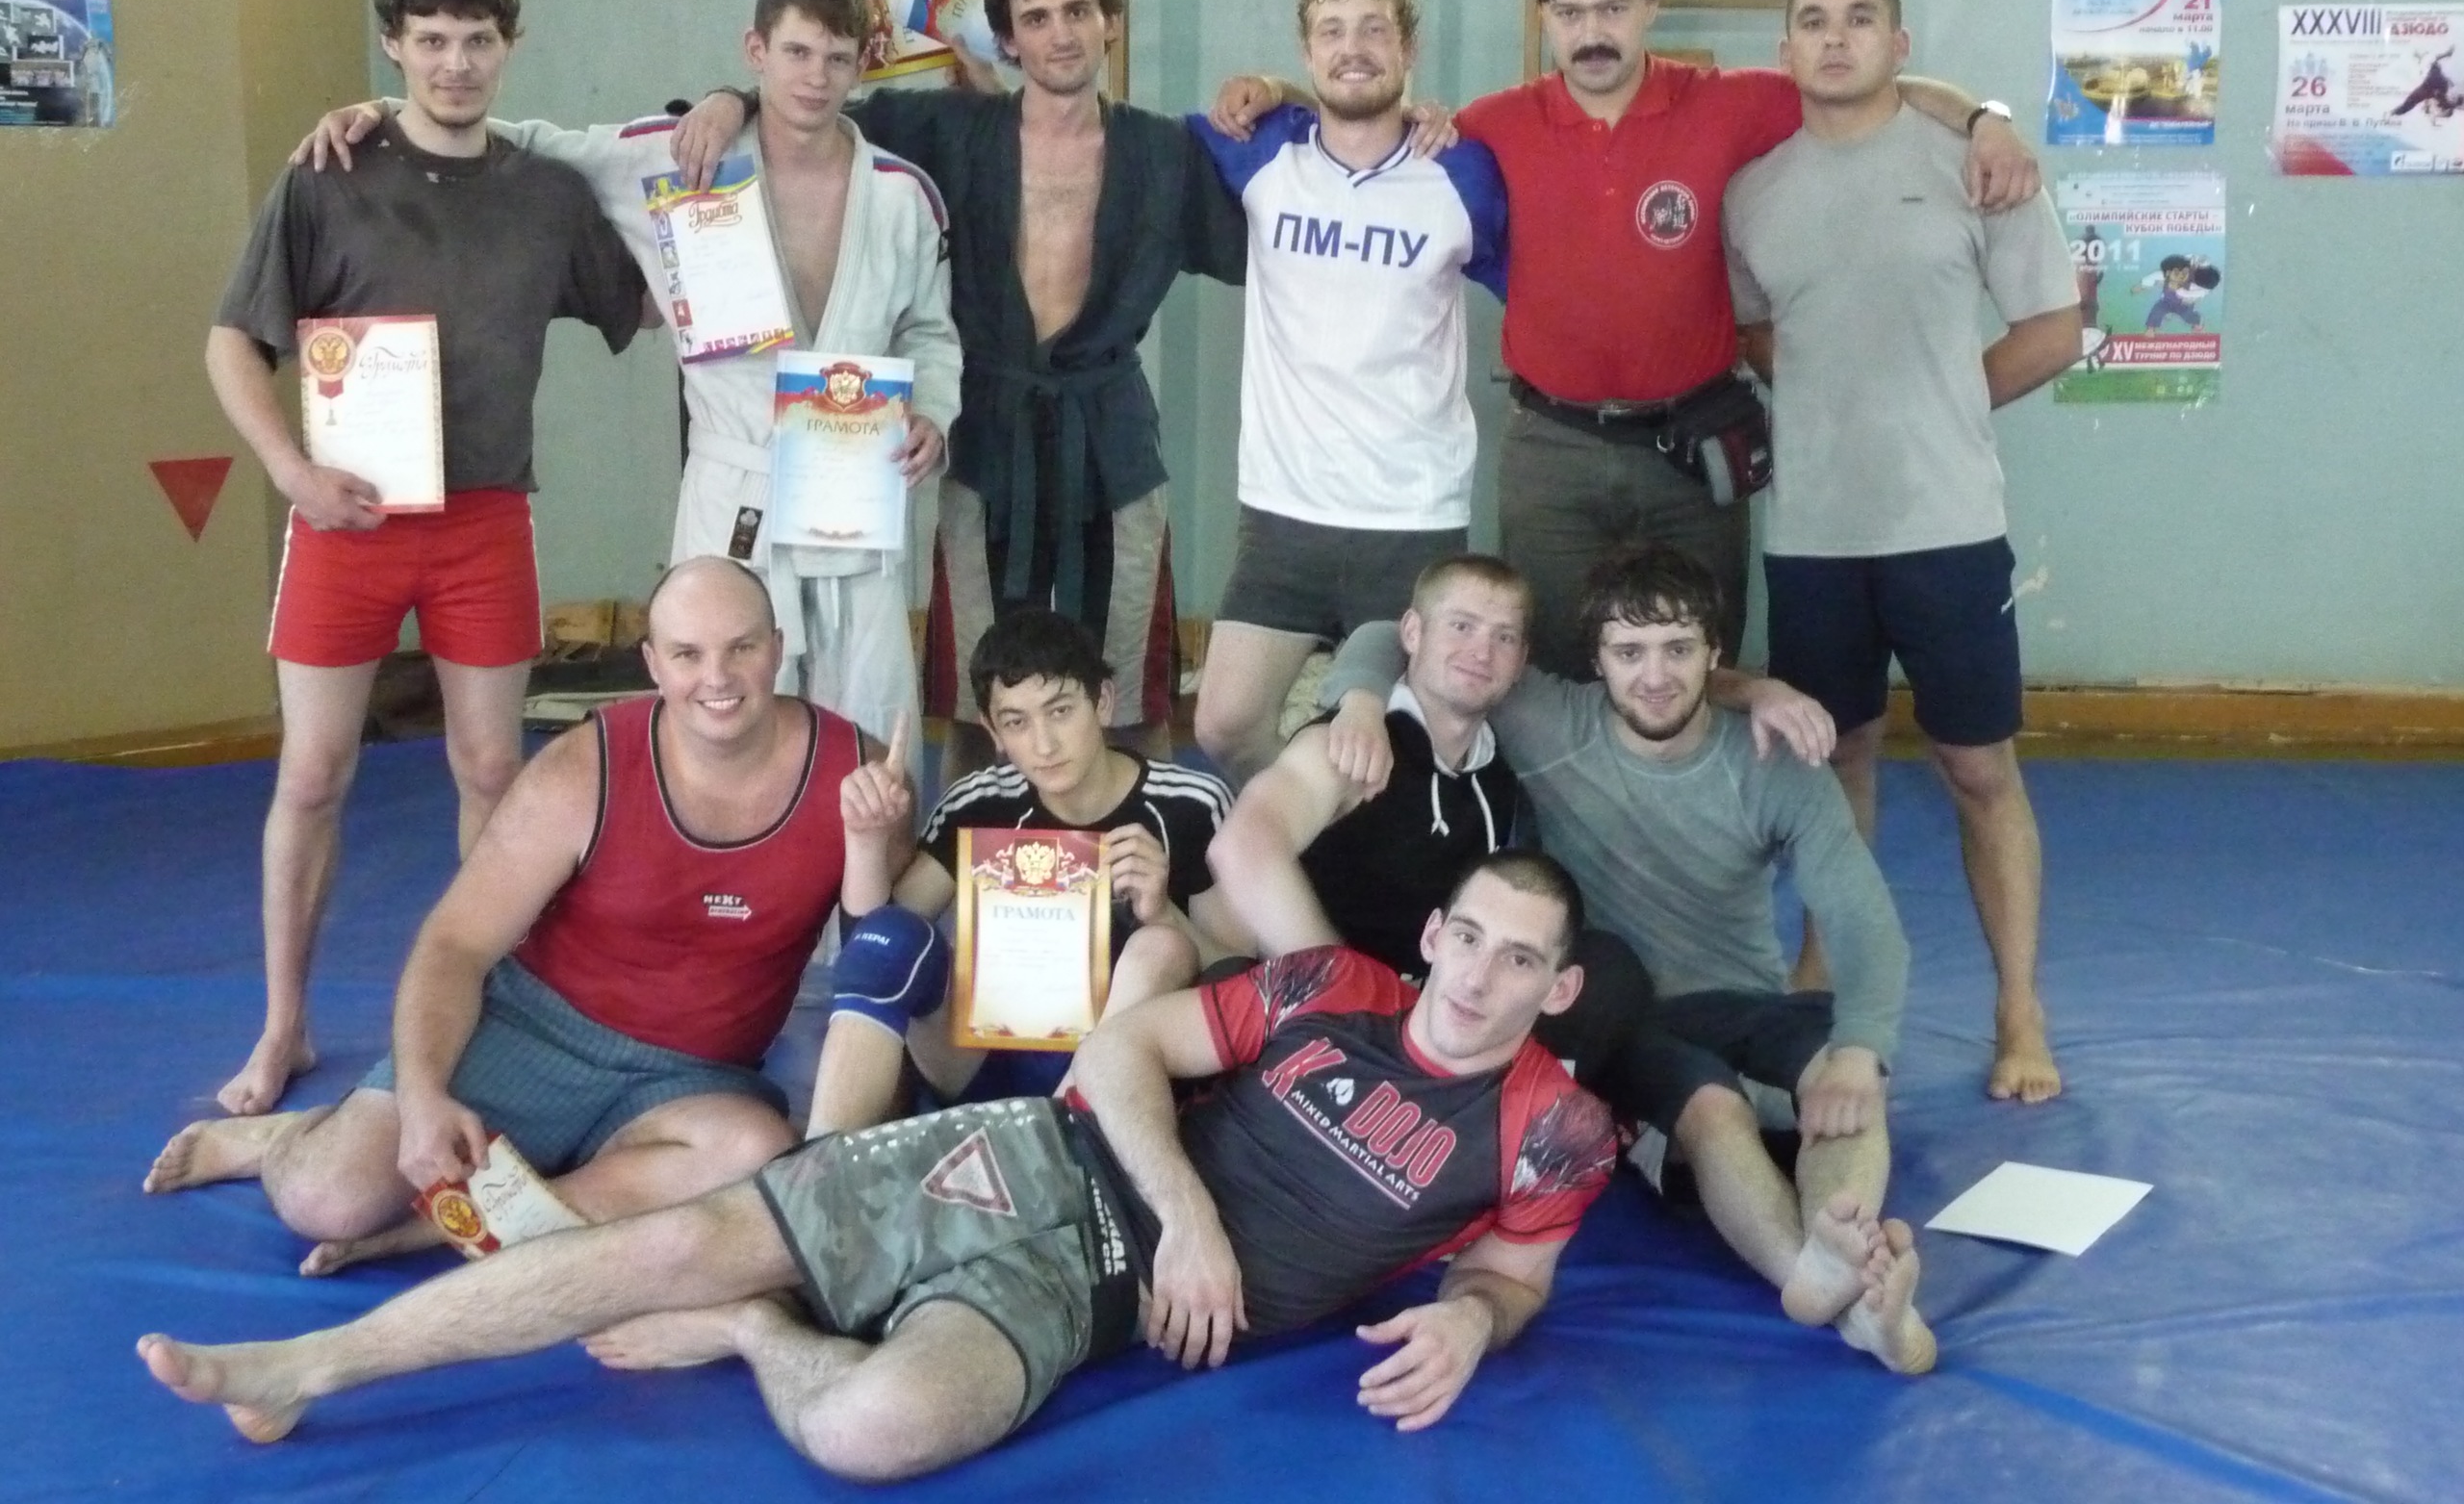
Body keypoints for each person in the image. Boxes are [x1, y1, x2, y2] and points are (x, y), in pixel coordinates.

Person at [129, 857, 1793, 1481]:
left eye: (1521, 962)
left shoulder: (1555, 1128)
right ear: (1434, 934)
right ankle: (305, 1368)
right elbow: (1121, 1054)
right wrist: (1190, 1216)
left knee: (873, 1432)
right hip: (1032, 1163)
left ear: (1557, 989)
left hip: (1086, 1305)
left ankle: (765, 1332)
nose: (1481, 979)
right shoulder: (1324, 989)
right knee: (667, 1249)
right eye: (1469, 941)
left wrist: (1473, 1323)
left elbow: (1512, 1275)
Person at [1215, 0, 2041, 671]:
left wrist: (1985, 119)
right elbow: (1358, 113)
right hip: (1552, 451)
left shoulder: (1728, 105)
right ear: (1546, 19)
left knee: (1696, 668)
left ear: (1651, 7)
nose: (1592, 34)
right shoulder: (1492, 126)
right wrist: (1280, 90)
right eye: (1570, 13)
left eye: (1612, 9)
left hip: (1691, 451)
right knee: (1548, 673)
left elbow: (1863, 85)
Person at [142, 558, 911, 1276]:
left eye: (740, 648)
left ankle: (435, 1227)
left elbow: (880, 970)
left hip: (694, 1077)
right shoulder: (585, 767)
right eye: (688, 654)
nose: (717, 678)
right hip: (535, 1031)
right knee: (326, 1199)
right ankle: (281, 1138)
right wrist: (422, 1099)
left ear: (776, 648)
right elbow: (455, 943)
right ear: (652, 663)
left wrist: (872, 842)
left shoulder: (858, 770)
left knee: (755, 1160)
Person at [294, 0, 958, 771]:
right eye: (796, 52)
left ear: (862, 67)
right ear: (756, 51)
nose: (816, 78)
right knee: (723, 713)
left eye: (837, 58)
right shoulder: (673, 157)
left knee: (872, 720)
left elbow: (931, 332)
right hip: (734, 486)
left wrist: (935, 412)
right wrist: (388, 112)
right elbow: (519, 142)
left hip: (855, 486)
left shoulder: (904, 195)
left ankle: (874, 860)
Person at [203, 0, 646, 1117]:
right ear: (392, 45)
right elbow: (232, 344)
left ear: (510, 46)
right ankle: (283, 1024)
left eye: (477, 40)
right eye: (433, 40)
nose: (456, 63)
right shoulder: (327, 173)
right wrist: (291, 471)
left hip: (484, 519)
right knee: (312, 773)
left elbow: (653, 302)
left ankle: (491, 1008)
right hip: (343, 520)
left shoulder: (548, 195)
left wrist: (741, 205)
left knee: (492, 767)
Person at [1318, 548, 1935, 1372]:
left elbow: (1864, 918)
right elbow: (1384, 634)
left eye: (1678, 649)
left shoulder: (1771, 763)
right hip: (1625, 1016)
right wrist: (1358, 701)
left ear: (1715, 654)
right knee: (1713, 1108)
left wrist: (1861, 1047)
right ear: (1596, 660)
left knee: (1847, 1070)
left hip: (1743, 1001)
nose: (1654, 676)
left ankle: (1845, 1268)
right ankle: (1829, 1289)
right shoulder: (1551, 721)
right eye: (1629, 652)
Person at [677, 0, 1249, 765]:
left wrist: (1279, 94)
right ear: (1006, 39)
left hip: (1112, 436)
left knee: (1128, 684)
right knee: (979, 690)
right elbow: (808, 108)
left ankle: (1151, 838)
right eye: (1036, 18)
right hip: (987, 430)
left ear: (1112, 22)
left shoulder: (1167, 151)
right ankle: (967, 840)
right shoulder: (949, 130)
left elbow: (1281, 209)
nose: (1060, 34)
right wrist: (728, 103)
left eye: (1078, 12)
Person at [1726, 0, 2080, 1105]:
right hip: (1813, 534)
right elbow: (1759, 334)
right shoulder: (1752, 192)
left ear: (1898, 41)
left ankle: (2017, 1008)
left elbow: (2052, 328)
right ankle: (1824, 968)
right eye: (1812, 21)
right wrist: (1836, 400)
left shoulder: (1974, 162)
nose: (1834, 39)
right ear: (1785, 49)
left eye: (1858, 19)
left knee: (1977, 768)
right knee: (1836, 762)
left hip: (1946, 527)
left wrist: (1939, 403)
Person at [1181, 0, 1507, 783]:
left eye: (1373, 30)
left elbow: (1545, 293)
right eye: (1331, 31)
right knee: (1223, 724)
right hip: (1284, 511)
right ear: (1307, 50)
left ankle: (1367, 846)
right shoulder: (1263, 152)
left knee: (1410, 747)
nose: (1352, 48)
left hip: (1411, 513)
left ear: (1409, 48)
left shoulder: (1461, 173)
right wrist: (1270, 89)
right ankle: (1317, 835)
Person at [1207, 551, 1656, 1094]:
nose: (1481, 652)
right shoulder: (1352, 744)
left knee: (1606, 973)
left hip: (1435, 1009)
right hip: (1326, 1011)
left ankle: (1509, 1109)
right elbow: (1243, 847)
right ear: (1413, 633)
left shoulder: (1498, 771)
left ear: (1521, 660)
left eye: (1504, 637)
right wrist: (1343, 989)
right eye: (1461, 626)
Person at [808, 607, 1245, 1138]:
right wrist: (865, 839)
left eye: (1060, 711)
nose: (1044, 744)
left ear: (1102, 702)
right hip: (978, 1059)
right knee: (897, 935)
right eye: (1016, 722)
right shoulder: (979, 802)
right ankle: (816, 1161)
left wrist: (1164, 912)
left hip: (1110, 1078)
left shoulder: (1190, 804)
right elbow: (873, 954)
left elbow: (1244, 976)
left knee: (1163, 948)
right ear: (992, 730)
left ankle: (1054, 1138)